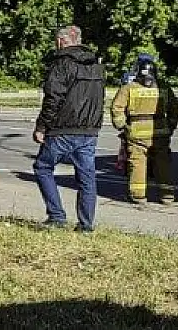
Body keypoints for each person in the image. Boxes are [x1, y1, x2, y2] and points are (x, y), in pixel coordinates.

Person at [31, 25, 105, 232]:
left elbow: (53, 98)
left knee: (43, 167)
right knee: (87, 178)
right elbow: (100, 98)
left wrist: (41, 126)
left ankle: (56, 216)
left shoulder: (62, 63)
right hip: (89, 129)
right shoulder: (96, 64)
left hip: (62, 128)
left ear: (62, 41)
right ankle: (86, 225)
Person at [111, 57, 178, 204]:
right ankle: (167, 196)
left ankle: (138, 196)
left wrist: (122, 126)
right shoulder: (163, 87)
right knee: (163, 165)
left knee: (137, 164)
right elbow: (174, 109)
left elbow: (117, 108)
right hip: (160, 133)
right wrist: (170, 126)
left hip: (136, 133)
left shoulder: (128, 89)